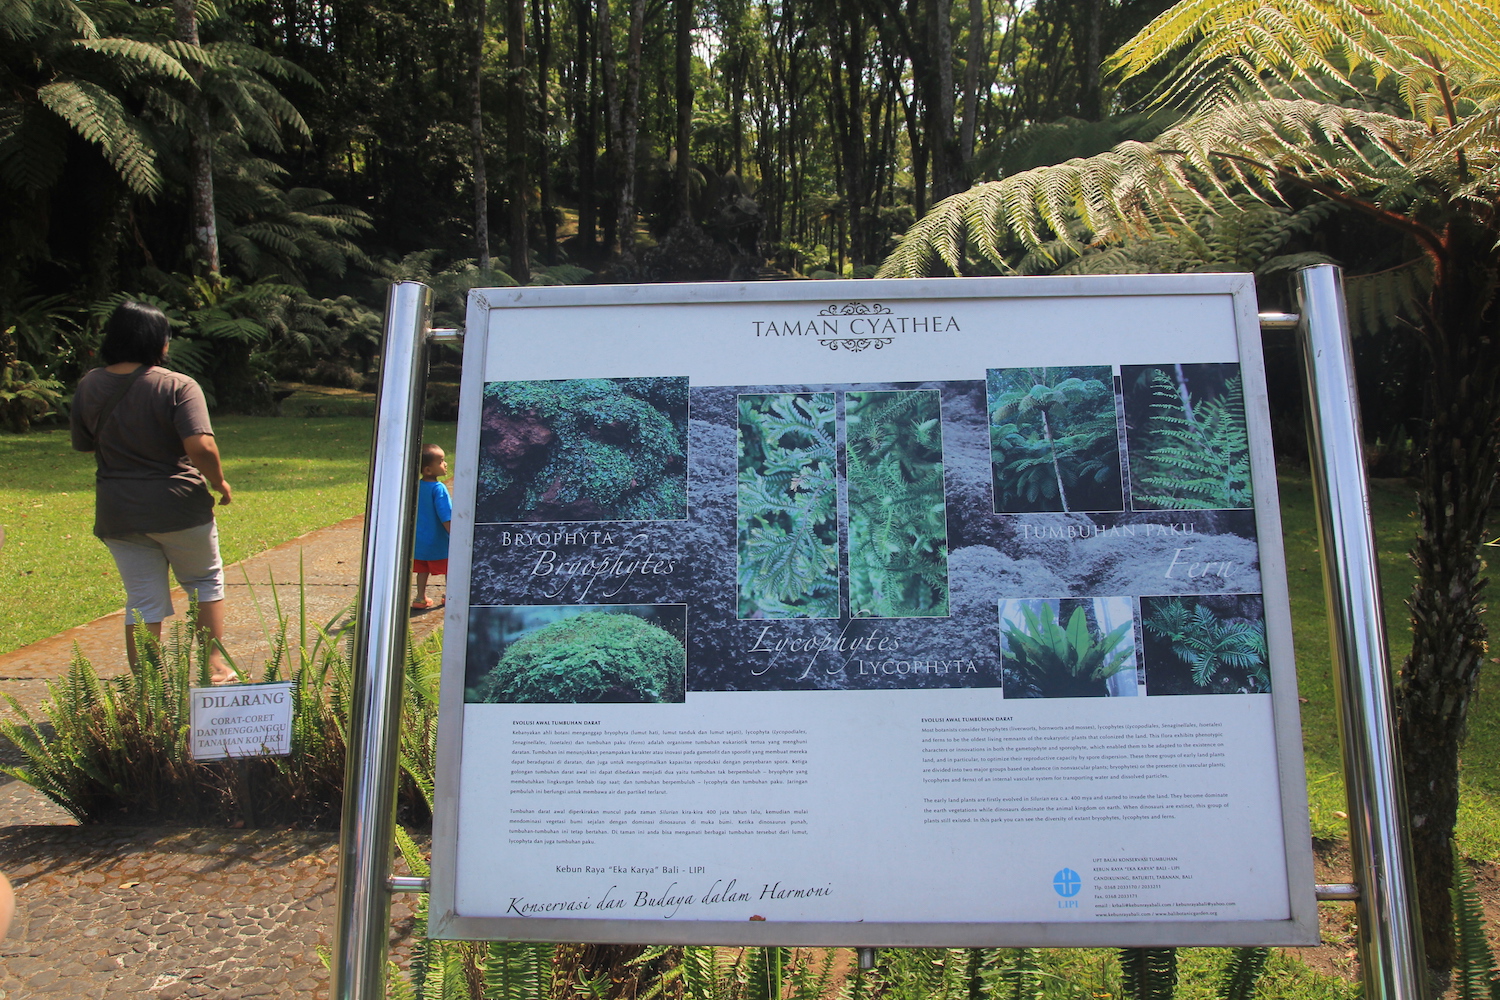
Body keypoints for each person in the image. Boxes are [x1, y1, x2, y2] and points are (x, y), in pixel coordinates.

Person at [70, 301, 235, 683]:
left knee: (143, 599)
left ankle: (150, 687)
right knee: (204, 582)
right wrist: (218, 481)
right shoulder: (177, 385)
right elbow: (201, 447)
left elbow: (83, 443)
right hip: (178, 507)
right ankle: (215, 669)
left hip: (118, 511)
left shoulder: (90, 384)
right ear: (159, 342)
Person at [412, 443, 451, 612]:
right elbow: (446, 514)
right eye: (441, 461)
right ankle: (449, 594)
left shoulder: (416, 487)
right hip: (438, 540)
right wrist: (454, 533)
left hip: (420, 541)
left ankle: (420, 597)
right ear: (428, 470)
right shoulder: (438, 488)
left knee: (422, 570)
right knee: (449, 568)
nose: (445, 464)